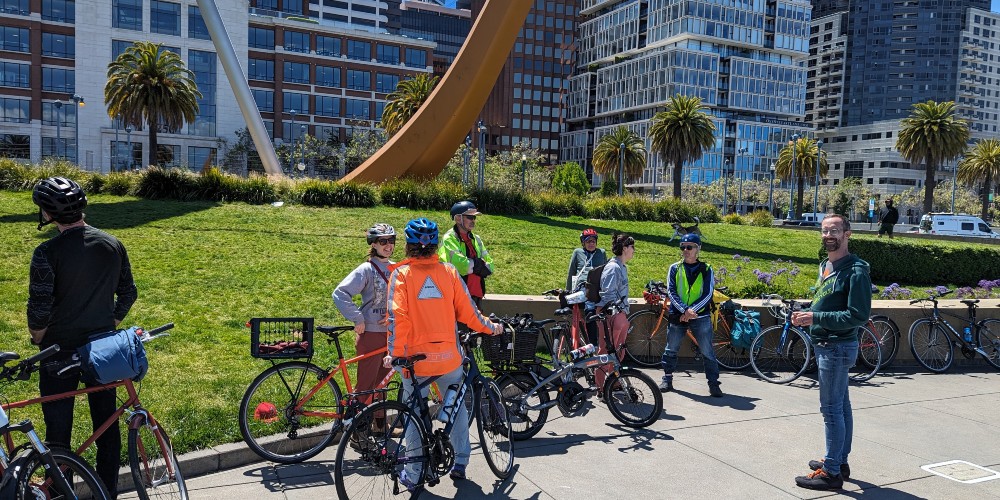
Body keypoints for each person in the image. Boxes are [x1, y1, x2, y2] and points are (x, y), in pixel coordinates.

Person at [26, 177, 138, 498]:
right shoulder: (112, 244)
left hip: (58, 354)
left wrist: (38, 338)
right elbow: (128, 293)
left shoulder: (46, 253)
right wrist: (110, 320)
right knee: (107, 427)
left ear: (48, 213)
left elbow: (39, 310)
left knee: (58, 435)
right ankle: (107, 493)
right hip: (104, 350)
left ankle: (63, 494)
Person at [385, 218, 502, 488]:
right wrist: (491, 327)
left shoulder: (401, 275)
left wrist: (394, 354)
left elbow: (397, 318)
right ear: (435, 245)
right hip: (449, 358)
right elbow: (469, 312)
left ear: (408, 246)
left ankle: (413, 475)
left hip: (415, 362)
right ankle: (460, 460)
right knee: (457, 407)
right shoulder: (448, 273)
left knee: (414, 416)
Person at [792, 214, 871, 490]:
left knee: (831, 410)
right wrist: (808, 312)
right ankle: (838, 460)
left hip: (836, 347)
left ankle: (832, 473)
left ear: (848, 234)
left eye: (834, 230)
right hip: (826, 345)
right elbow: (826, 302)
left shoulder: (856, 270)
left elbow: (858, 315)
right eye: (824, 230)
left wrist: (815, 319)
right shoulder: (826, 264)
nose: (828, 235)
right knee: (842, 407)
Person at [332, 223, 396, 409]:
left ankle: (379, 426)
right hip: (371, 334)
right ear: (373, 244)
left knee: (383, 384)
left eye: (391, 240)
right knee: (366, 386)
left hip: (392, 334)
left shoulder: (397, 268)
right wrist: (358, 318)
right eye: (383, 241)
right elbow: (340, 293)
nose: (388, 245)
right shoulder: (366, 269)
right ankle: (358, 431)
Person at [658, 233, 723, 398]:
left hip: (699, 316)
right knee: (671, 348)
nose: (685, 250)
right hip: (678, 314)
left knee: (708, 351)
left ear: (698, 248)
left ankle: (713, 383)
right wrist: (685, 310)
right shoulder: (674, 268)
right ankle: (667, 378)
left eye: (689, 247)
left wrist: (691, 311)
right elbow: (671, 292)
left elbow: (708, 294)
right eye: (683, 247)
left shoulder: (707, 269)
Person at [592, 232, 634, 392]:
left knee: (617, 352)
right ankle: (600, 388)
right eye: (632, 247)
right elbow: (608, 294)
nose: (633, 250)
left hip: (619, 315)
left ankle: (613, 382)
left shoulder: (621, 267)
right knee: (605, 352)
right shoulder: (613, 267)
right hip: (610, 316)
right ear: (624, 248)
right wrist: (615, 314)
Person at [439, 201, 493, 307]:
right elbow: (461, 265)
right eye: (469, 217)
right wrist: (479, 264)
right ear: (458, 218)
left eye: (474, 218)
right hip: (457, 296)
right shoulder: (449, 238)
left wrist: (476, 265)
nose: (473, 220)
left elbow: (490, 266)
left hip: (477, 294)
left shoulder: (476, 239)